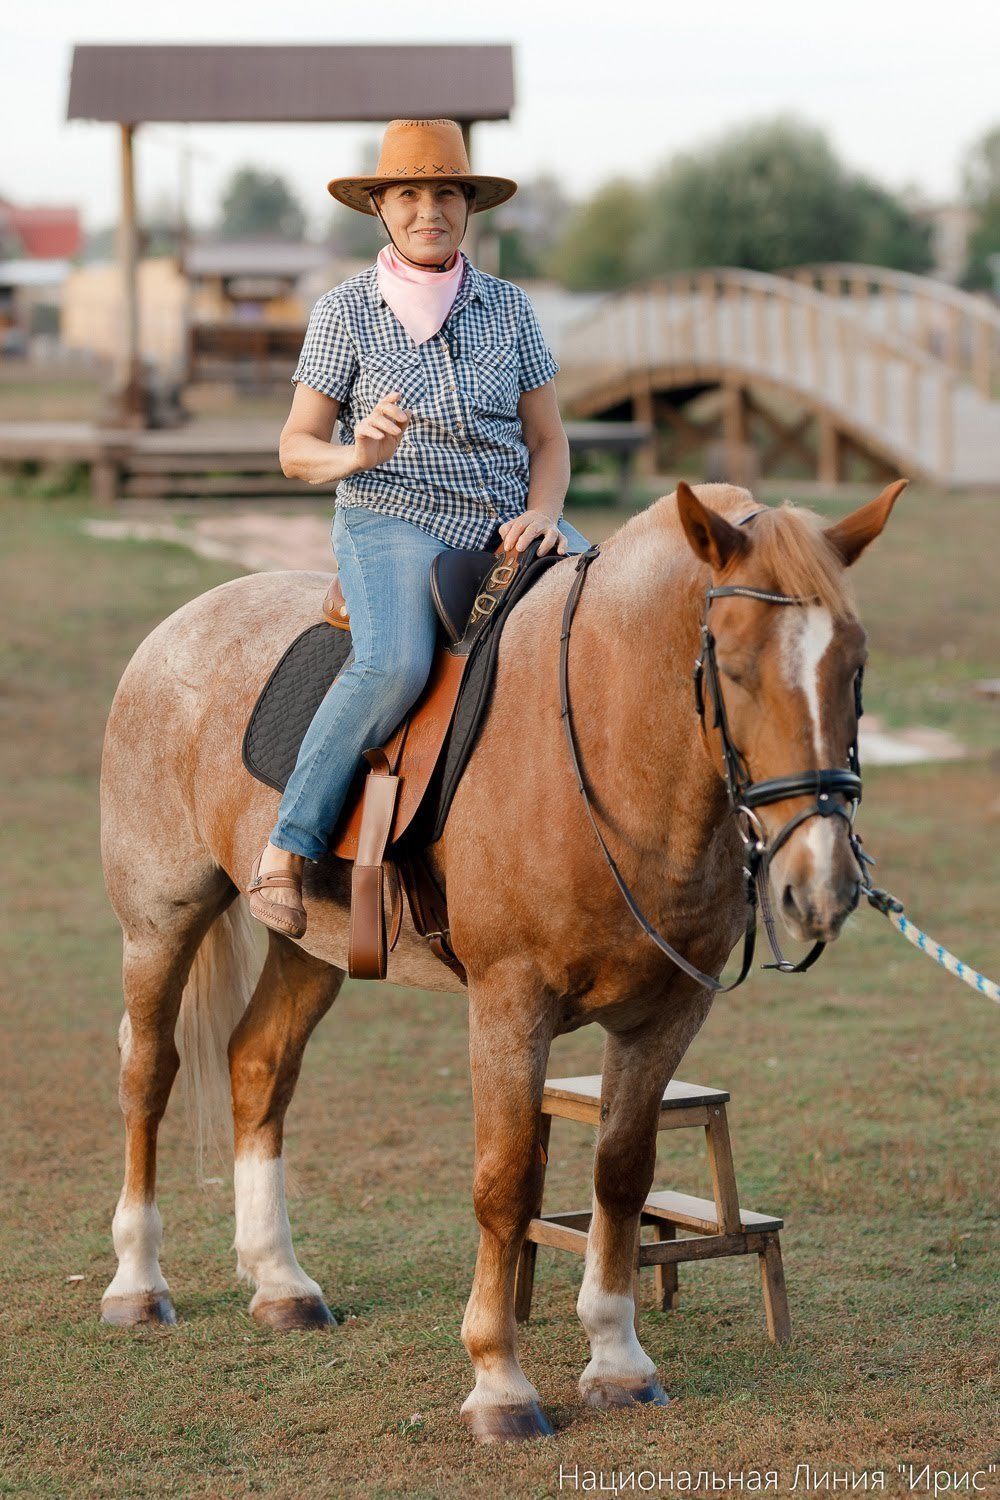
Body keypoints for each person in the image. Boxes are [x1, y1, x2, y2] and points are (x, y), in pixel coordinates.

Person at [246, 118, 592, 939]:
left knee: (612, 620)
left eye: (445, 192)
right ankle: (287, 848)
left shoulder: (509, 308)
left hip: (508, 518)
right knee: (394, 662)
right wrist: (355, 452)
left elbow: (548, 439)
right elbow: (296, 450)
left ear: (468, 206)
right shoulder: (345, 313)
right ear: (382, 209)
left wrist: (544, 513)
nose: (427, 209)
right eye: (408, 193)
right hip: (391, 517)